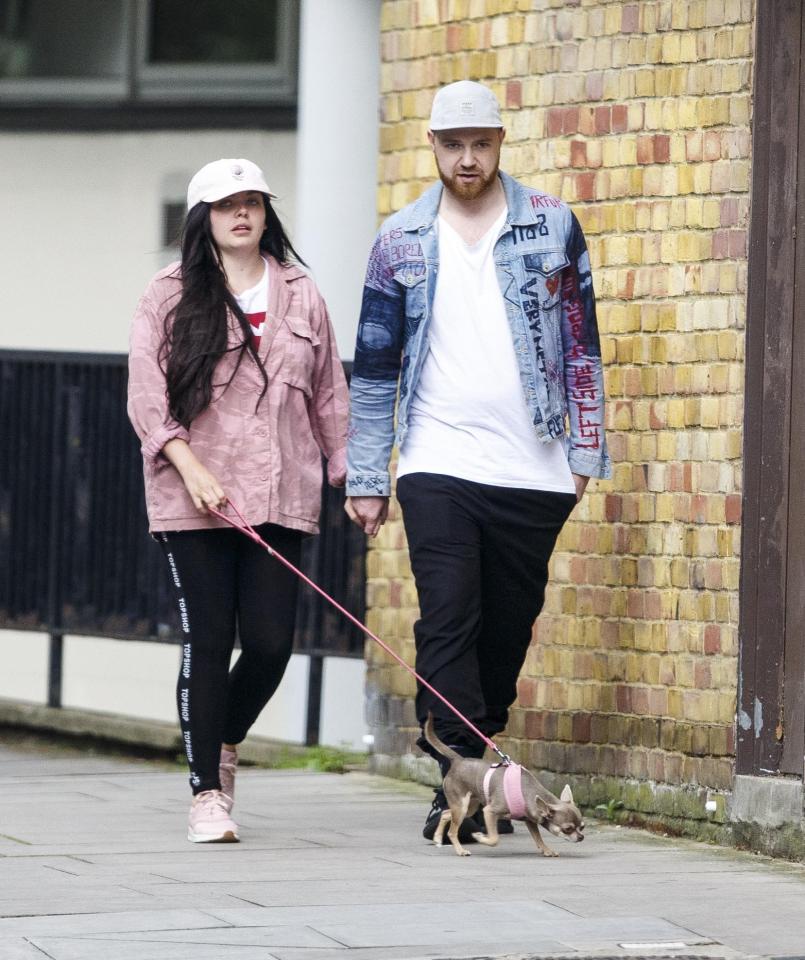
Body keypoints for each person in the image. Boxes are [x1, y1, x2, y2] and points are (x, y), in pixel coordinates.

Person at [345, 81, 611, 841]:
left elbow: (582, 346)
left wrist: (583, 450)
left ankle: (469, 770)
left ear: (499, 142)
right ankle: (460, 773)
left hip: (535, 462)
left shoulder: (551, 224)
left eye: (481, 143)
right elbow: (373, 369)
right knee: (449, 616)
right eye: (453, 144)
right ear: (431, 146)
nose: (468, 158)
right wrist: (369, 476)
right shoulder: (399, 241)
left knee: (505, 631)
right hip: (436, 456)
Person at [128, 158, 348, 843]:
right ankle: (205, 795)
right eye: (227, 205)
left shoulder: (302, 293)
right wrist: (187, 463)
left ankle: (220, 739)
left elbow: (329, 398)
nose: (242, 213)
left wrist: (356, 478)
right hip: (194, 500)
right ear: (205, 217)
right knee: (208, 636)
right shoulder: (166, 294)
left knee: (271, 644)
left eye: (252, 201)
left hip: (281, 494)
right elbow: (145, 396)